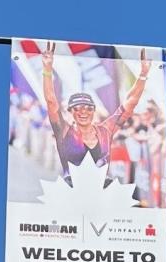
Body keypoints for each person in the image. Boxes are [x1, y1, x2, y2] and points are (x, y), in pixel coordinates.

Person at [41, 41, 152, 183]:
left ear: (93, 111)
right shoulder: (64, 131)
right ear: (71, 112)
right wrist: (47, 69)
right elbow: (51, 101)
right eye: (77, 108)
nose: (83, 112)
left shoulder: (105, 130)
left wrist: (143, 75)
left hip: (100, 191)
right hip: (72, 190)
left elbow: (130, 103)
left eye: (88, 108)